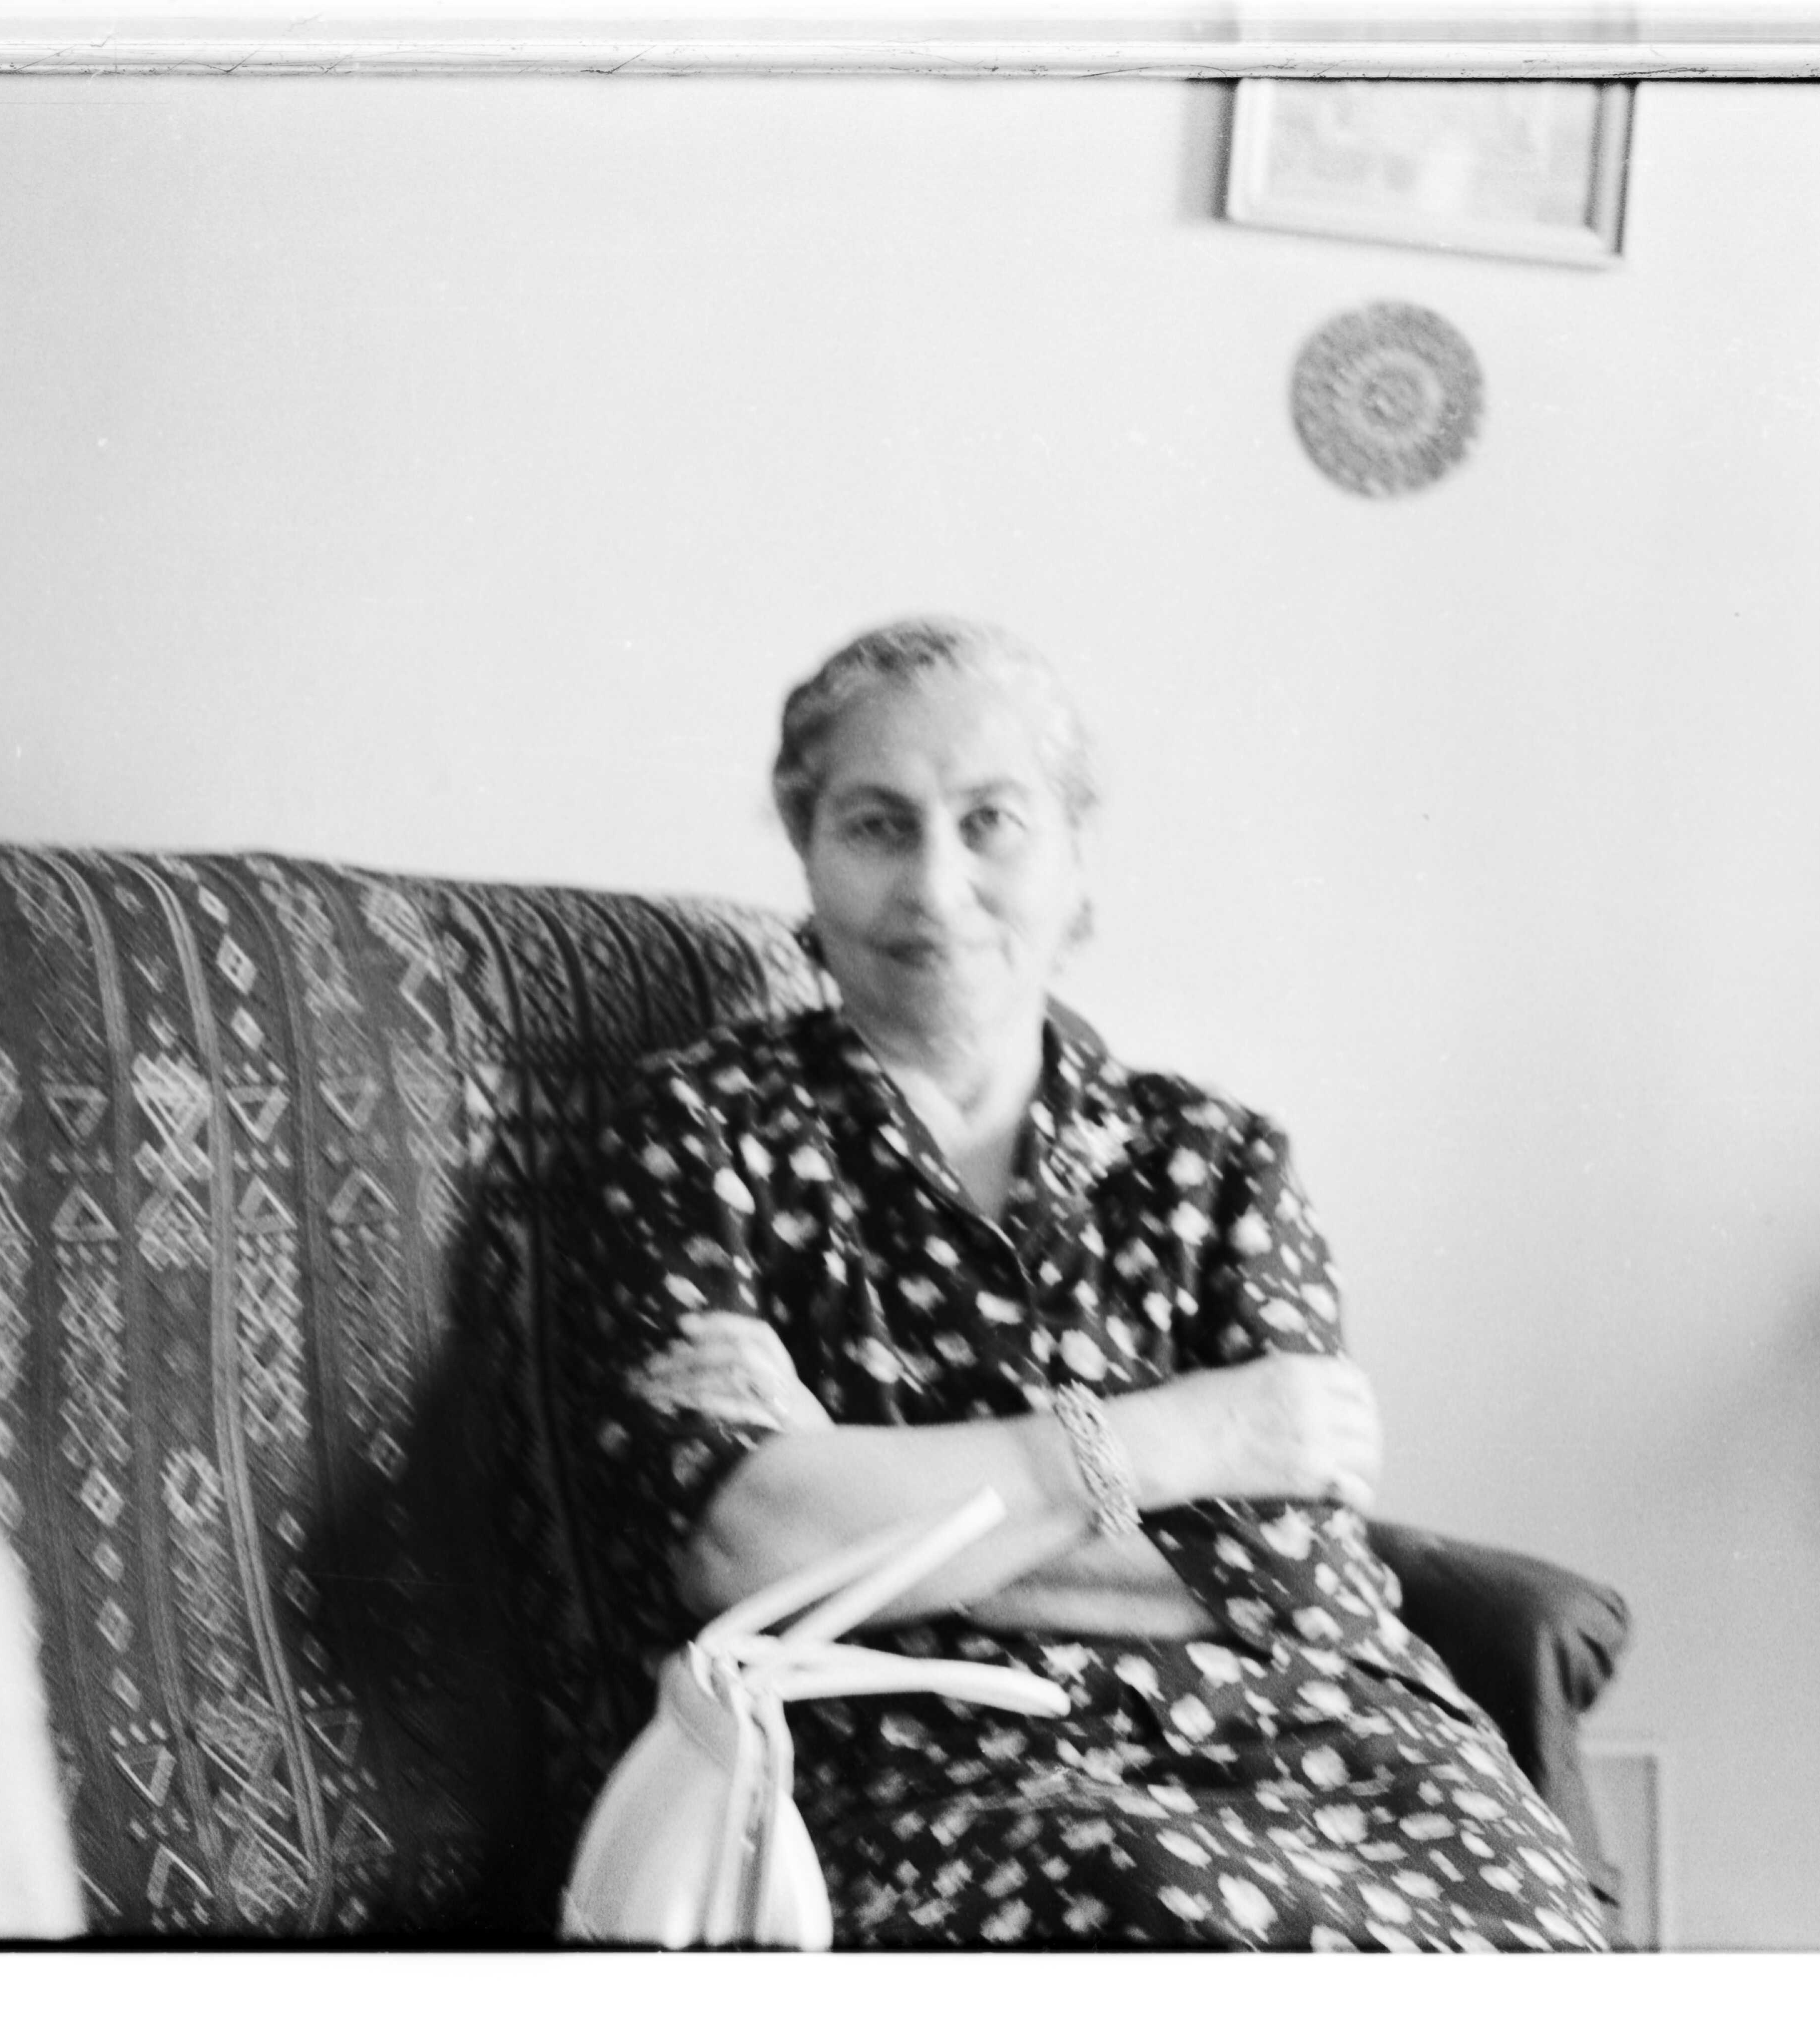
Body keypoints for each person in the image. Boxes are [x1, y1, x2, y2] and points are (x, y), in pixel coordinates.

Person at [555, 617, 1610, 1950]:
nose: (937, 886)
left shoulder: (1217, 1159)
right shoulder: (697, 1132)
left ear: (1074, 860)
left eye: (991, 822)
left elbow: (1298, 1574)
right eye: (877, 826)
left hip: (1332, 1739)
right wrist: (1183, 1440)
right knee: (1157, 1907)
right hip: (940, 1765)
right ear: (808, 853)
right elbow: (742, 1549)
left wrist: (859, 1494)